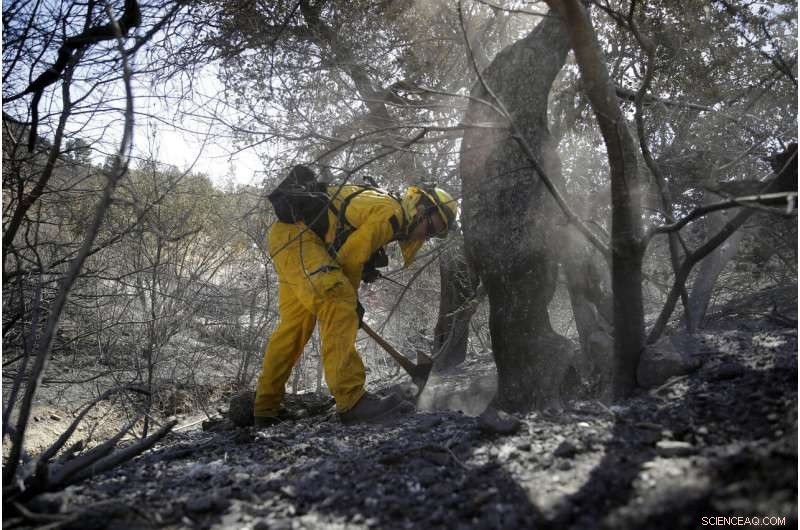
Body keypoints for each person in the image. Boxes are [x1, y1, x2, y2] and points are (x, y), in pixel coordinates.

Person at [254, 165, 457, 426]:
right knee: (337, 300)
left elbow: (348, 249)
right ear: (420, 208)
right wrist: (350, 301)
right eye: (431, 228)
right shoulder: (392, 213)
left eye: (434, 234)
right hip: (300, 238)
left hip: (291, 238)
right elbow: (350, 256)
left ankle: (265, 409)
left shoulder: (391, 209)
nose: (426, 237)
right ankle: (352, 401)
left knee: (294, 327)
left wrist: (353, 294)